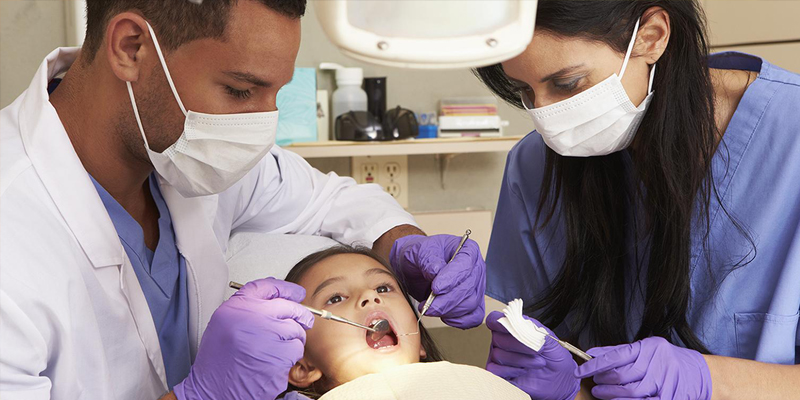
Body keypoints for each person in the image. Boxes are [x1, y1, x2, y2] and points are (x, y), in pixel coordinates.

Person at [0, 1, 486, 399]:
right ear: (132, 47)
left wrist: (401, 245)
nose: (261, 125)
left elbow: (335, 202)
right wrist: (202, 397)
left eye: (277, 93)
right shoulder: (14, 231)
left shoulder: (192, 151)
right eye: (239, 90)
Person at [474, 1, 800, 399]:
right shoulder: (534, 167)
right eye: (525, 90)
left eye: (567, 83)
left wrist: (713, 380)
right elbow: (534, 353)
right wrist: (568, 389)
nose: (546, 114)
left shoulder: (791, 138)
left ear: (651, 37)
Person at [278, 245, 521, 400]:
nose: (370, 297)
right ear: (301, 366)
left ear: (420, 343)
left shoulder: (478, 387)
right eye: (336, 298)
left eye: (383, 288)